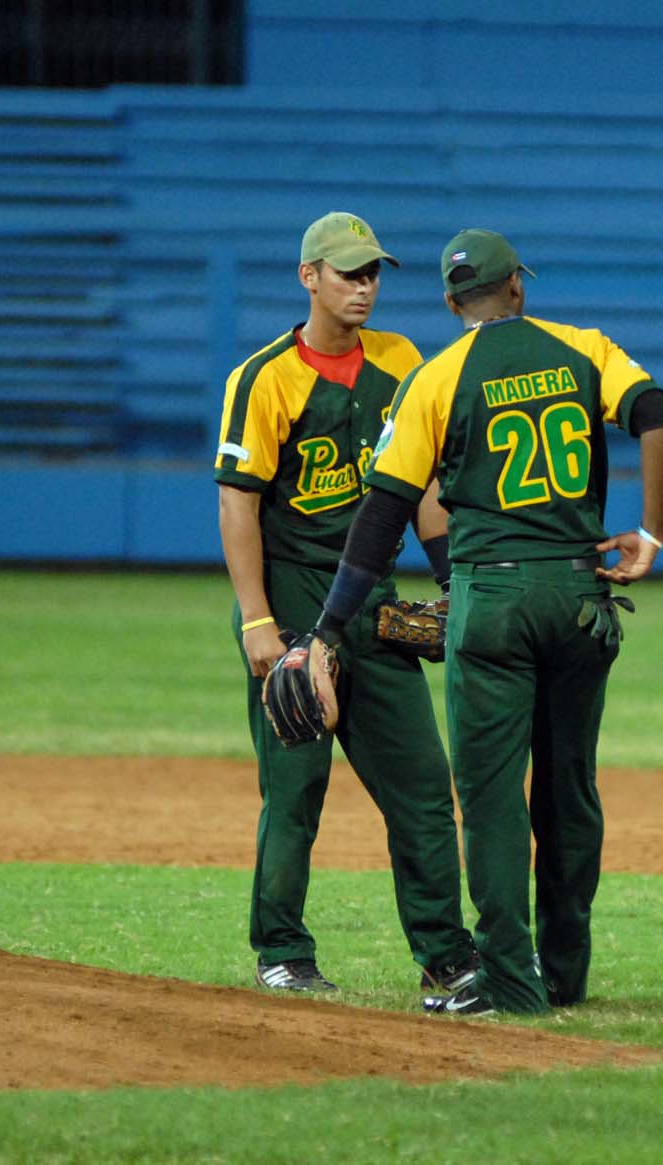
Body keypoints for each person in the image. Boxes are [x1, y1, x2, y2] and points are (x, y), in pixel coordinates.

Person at [304, 228, 663, 1016]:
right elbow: (656, 414)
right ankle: (566, 968)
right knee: (569, 788)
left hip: (492, 599)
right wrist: (650, 532)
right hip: (581, 597)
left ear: (450, 302)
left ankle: (513, 977)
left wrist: (330, 628)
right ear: (518, 287)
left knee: (492, 797)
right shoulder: (583, 349)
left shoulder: (435, 378)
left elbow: (383, 516)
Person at [214, 212, 478, 995]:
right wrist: (258, 620)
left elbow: (424, 487)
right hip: (292, 595)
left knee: (424, 786)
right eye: (348, 273)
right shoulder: (264, 376)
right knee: (295, 786)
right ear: (310, 278)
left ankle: (448, 959)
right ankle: (282, 951)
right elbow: (237, 504)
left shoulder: (400, 361)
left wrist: (452, 577)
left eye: (372, 274)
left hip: (373, 598)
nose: (364, 286)